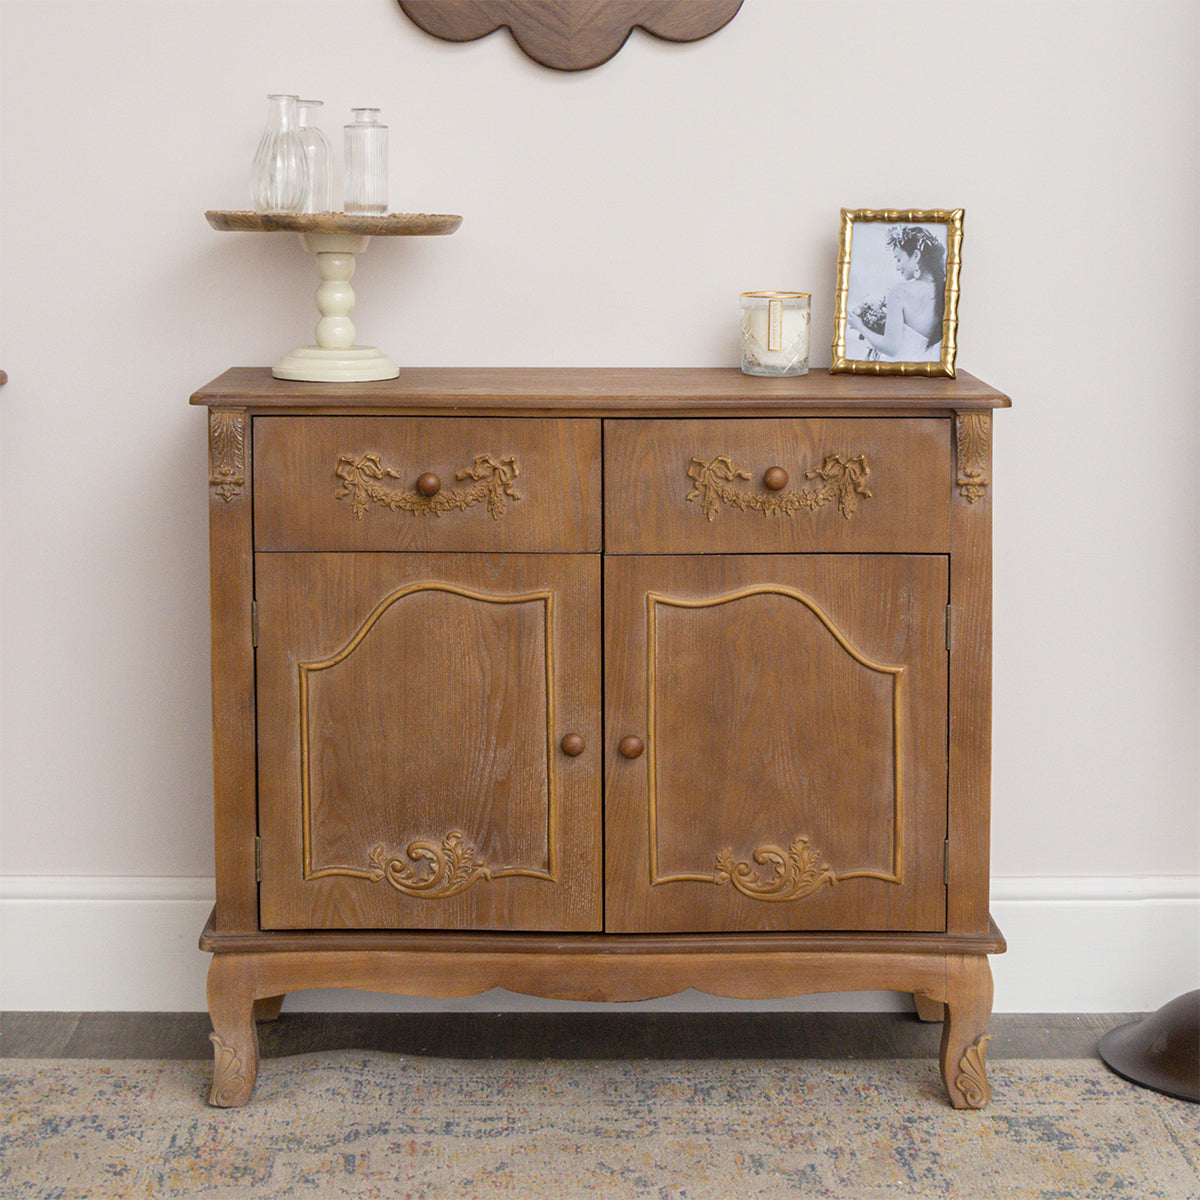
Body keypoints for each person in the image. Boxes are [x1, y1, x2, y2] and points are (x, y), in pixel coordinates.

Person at [847, 226, 945, 362]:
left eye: (898, 259)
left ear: (916, 256)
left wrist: (860, 326)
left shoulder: (899, 292)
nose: (897, 267)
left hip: (898, 369)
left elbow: (890, 348)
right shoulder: (943, 291)